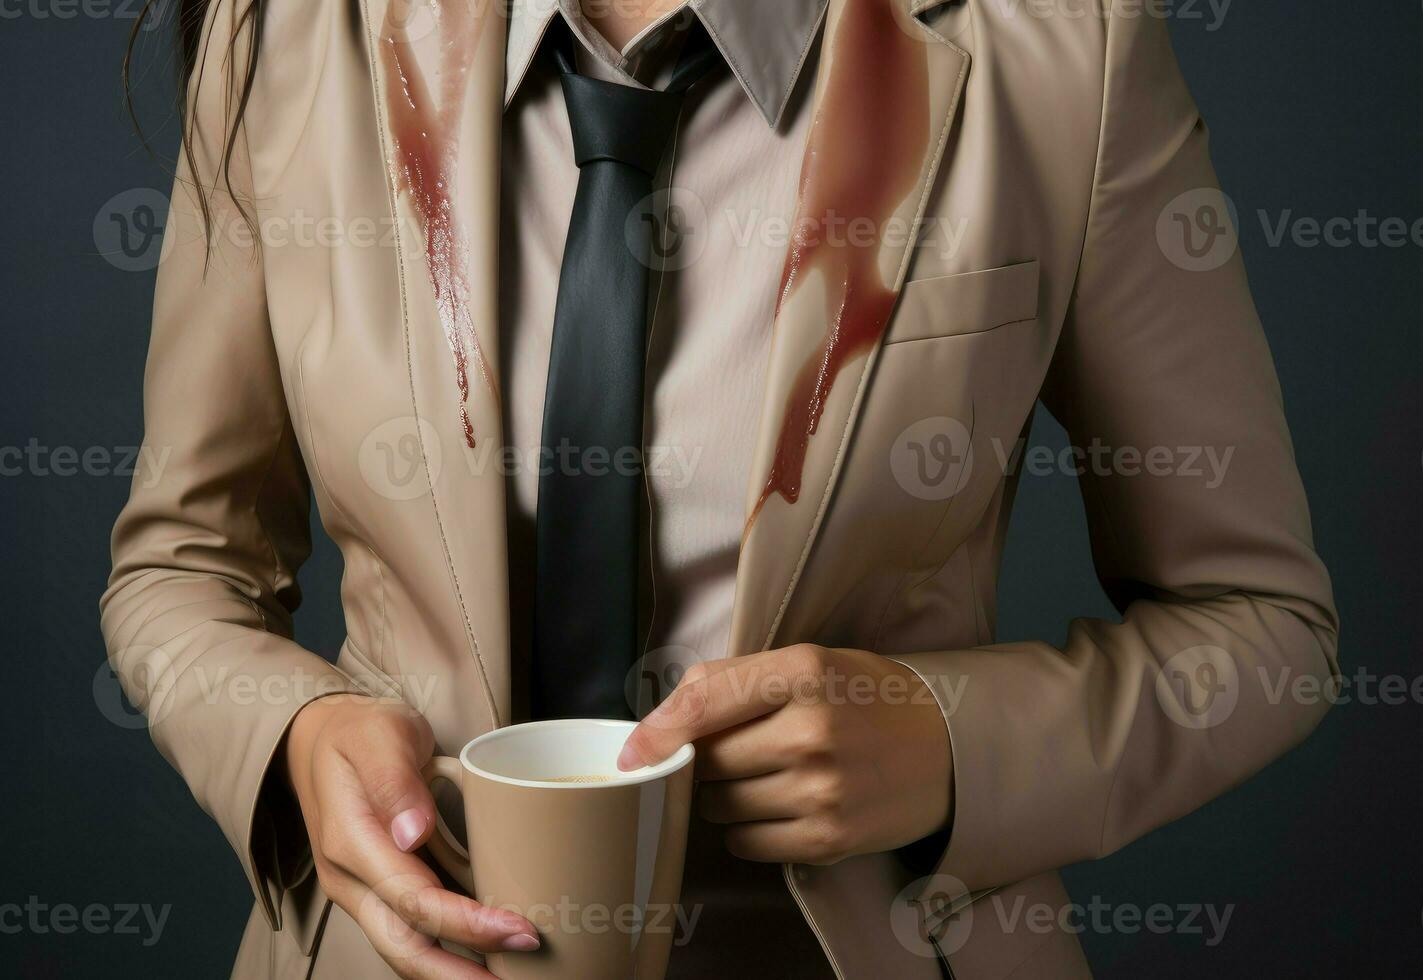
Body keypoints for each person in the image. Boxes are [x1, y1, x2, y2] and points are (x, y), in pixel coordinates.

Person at [103, 0, 1339, 976]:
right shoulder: (284, 37)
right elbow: (179, 569)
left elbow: (1262, 621)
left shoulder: (1065, 49)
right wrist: (296, 737)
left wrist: (955, 743)